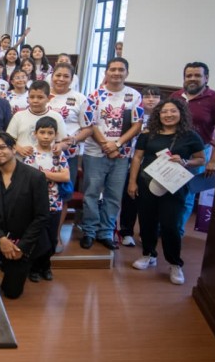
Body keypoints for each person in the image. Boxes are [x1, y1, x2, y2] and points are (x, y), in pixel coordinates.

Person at [127, 98, 205, 285]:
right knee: (147, 221)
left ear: (181, 113)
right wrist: (132, 182)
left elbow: (201, 159)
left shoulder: (190, 136)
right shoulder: (148, 134)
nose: (168, 115)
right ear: (158, 115)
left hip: (174, 187)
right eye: (164, 112)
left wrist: (185, 161)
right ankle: (148, 254)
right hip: (147, 184)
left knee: (171, 225)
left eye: (173, 111)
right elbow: (137, 158)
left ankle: (175, 263)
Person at [0, 131, 50, 299]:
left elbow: (41, 216)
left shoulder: (35, 177)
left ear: (13, 149)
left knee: (12, 292)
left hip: (22, 238)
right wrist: (1, 239)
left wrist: (22, 247)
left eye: (2, 147)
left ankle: (9, 265)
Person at [80, 57, 143, 250]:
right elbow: (90, 124)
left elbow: (137, 125)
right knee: (91, 193)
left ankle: (106, 232)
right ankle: (89, 231)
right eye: (112, 69)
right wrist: (105, 145)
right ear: (106, 72)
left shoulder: (134, 96)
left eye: (120, 70)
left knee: (114, 196)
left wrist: (116, 145)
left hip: (122, 155)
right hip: (95, 153)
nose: (116, 73)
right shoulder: (95, 95)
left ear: (127, 73)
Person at [171, 62, 215, 231]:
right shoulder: (176, 96)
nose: (192, 79)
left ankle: (177, 231)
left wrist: (213, 160)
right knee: (168, 191)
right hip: (173, 152)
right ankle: (165, 228)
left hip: (198, 154)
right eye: (189, 75)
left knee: (187, 194)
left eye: (197, 75)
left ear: (206, 78)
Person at [48, 62, 92, 248]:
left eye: (66, 76)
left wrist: (72, 140)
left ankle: (56, 235)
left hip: (68, 156)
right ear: (52, 76)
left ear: (72, 78)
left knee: (62, 195)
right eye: (58, 75)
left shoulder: (80, 99)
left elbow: (88, 128)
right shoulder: (42, 94)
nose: (61, 79)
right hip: (40, 156)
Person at [23, 117, 70, 282]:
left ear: (55, 135)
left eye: (50, 133)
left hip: (55, 203)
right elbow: (29, 178)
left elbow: (65, 176)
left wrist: (43, 174)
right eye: (42, 132)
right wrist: (53, 175)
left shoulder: (58, 154)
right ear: (35, 134)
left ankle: (46, 267)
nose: (46, 136)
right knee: (38, 239)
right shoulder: (30, 154)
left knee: (51, 238)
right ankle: (34, 268)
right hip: (35, 205)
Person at [118, 86, 161, 247]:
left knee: (150, 203)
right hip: (131, 160)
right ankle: (126, 232)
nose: (151, 100)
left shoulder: (163, 118)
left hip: (153, 165)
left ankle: (146, 233)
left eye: (155, 97)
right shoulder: (132, 115)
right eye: (147, 97)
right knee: (130, 197)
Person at [6, 80, 67, 158]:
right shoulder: (18, 116)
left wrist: (60, 146)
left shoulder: (56, 117)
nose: (35, 101)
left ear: (49, 98)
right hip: (21, 161)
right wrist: (19, 149)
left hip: (47, 162)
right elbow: (8, 140)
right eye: (32, 97)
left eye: (40, 97)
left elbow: (64, 142)